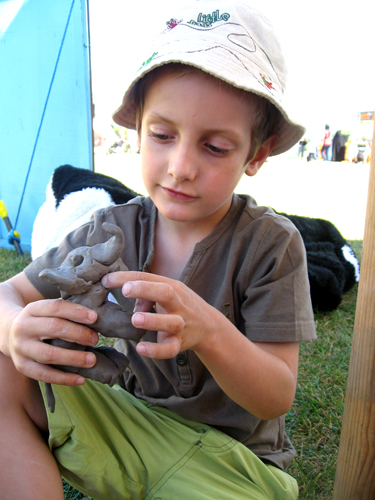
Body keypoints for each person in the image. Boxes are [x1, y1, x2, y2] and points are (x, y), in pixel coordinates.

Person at [0, 2, 316, 499]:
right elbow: (7, 294)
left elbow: (276, 395)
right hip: (123, 428)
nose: (180, 166)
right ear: (138, 129)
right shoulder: (110, 230)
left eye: (214, 147)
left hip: (227, 468)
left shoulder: (271, 245)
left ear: (256, 154)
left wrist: (209, 329)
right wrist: (15, 327)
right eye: (163, 136)